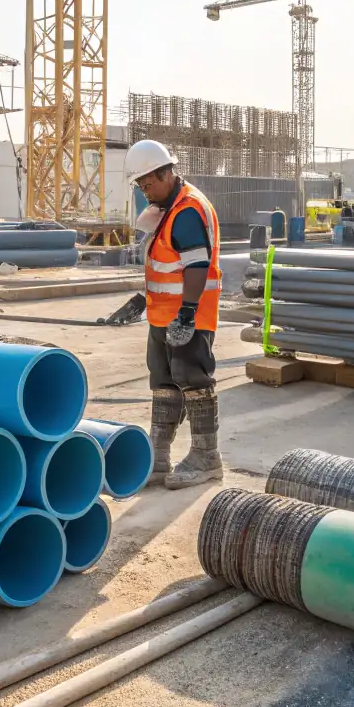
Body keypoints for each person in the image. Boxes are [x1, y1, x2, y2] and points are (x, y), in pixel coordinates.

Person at [123, 139, 223, 491]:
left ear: (167, 173)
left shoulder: (187, 210)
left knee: (192, 378)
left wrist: (187, 313)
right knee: (163, 379)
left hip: (188, 315)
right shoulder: (167, 208)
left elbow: (198, 264)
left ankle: (206, 457)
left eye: (149, 183)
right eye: (141, 186)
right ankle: (159, 456)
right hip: (163, 314)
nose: (145, 191)